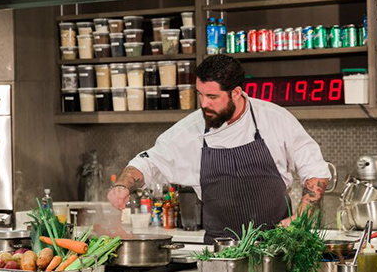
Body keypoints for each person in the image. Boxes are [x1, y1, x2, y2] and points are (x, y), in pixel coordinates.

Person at [107, 54, 331, 242]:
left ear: (236, 93)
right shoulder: (190, 130)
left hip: (278, 244)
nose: (204, 104)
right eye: (200, 95)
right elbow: (148, 162)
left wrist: (302, 216)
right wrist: (123, 185)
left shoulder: (274, 119)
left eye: (212, 96)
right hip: (219, 251)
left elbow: (315, 170)